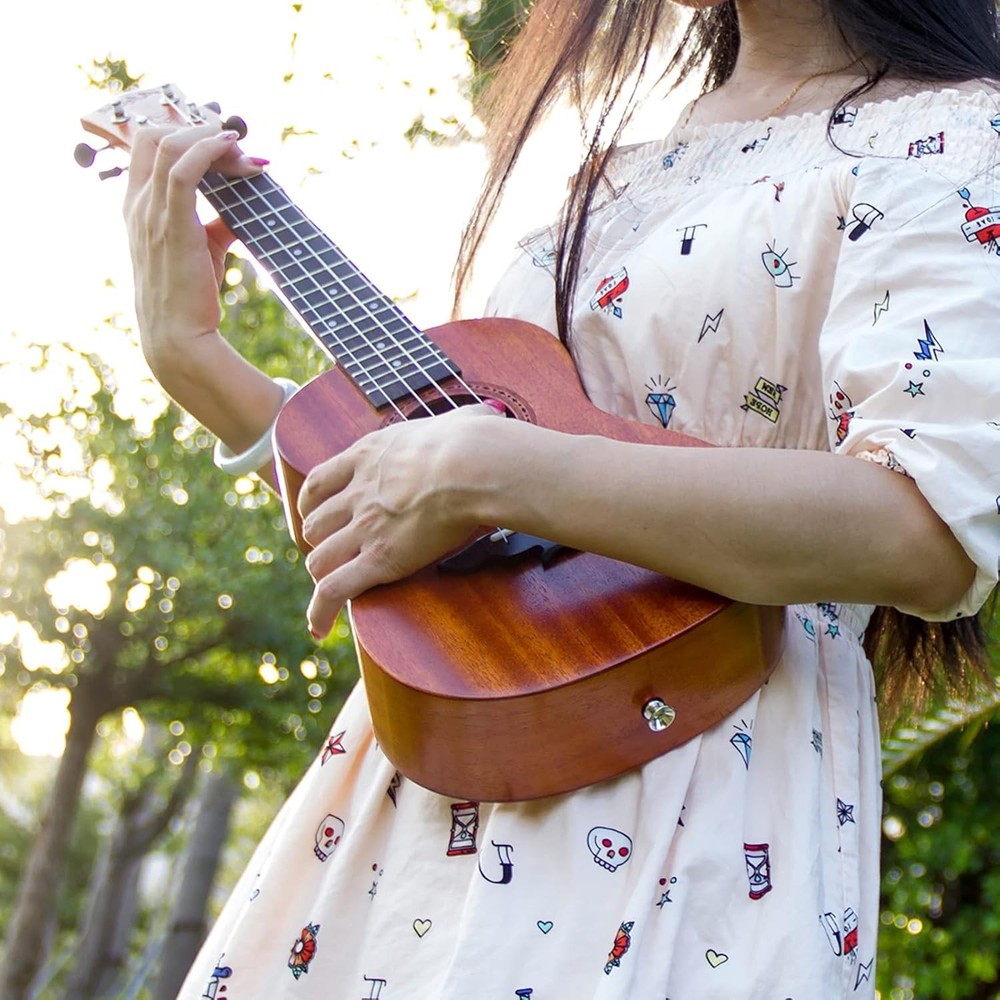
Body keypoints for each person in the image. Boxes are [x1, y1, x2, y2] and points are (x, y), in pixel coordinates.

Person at [124, 0, 999, 995]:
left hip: (700, 777)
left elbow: (921, 529)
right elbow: (458, 529)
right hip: (430, 785)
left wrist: (492, 469)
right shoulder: (617, 171)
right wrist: (196, 362)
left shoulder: (955, 138)